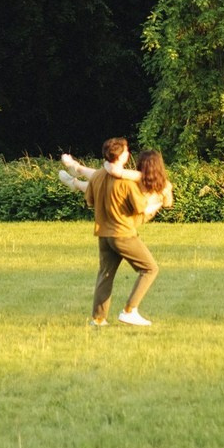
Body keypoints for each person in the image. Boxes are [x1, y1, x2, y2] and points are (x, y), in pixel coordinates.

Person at [73, 137, 169, 326]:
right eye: (126, 151)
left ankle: (98, 319)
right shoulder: (127, 184)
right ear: (121, 155)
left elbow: (90, 200)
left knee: (105, 274)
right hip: (123, 234)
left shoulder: (98, 176)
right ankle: (129, 310)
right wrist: (159, 200)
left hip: (103, 234)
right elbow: (141, 208)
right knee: (150, 268)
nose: (128, 153)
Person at [59, 147, 173, 218]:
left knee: (104, 179)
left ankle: (76, 172)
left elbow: (114, 171)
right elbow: (168, 204)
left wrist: (108, 163)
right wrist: (157, 201)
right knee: (105, 180)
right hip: (126, 207)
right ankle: (75, 177)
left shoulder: (139, 176)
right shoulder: (166, 185)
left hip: (121, 206)